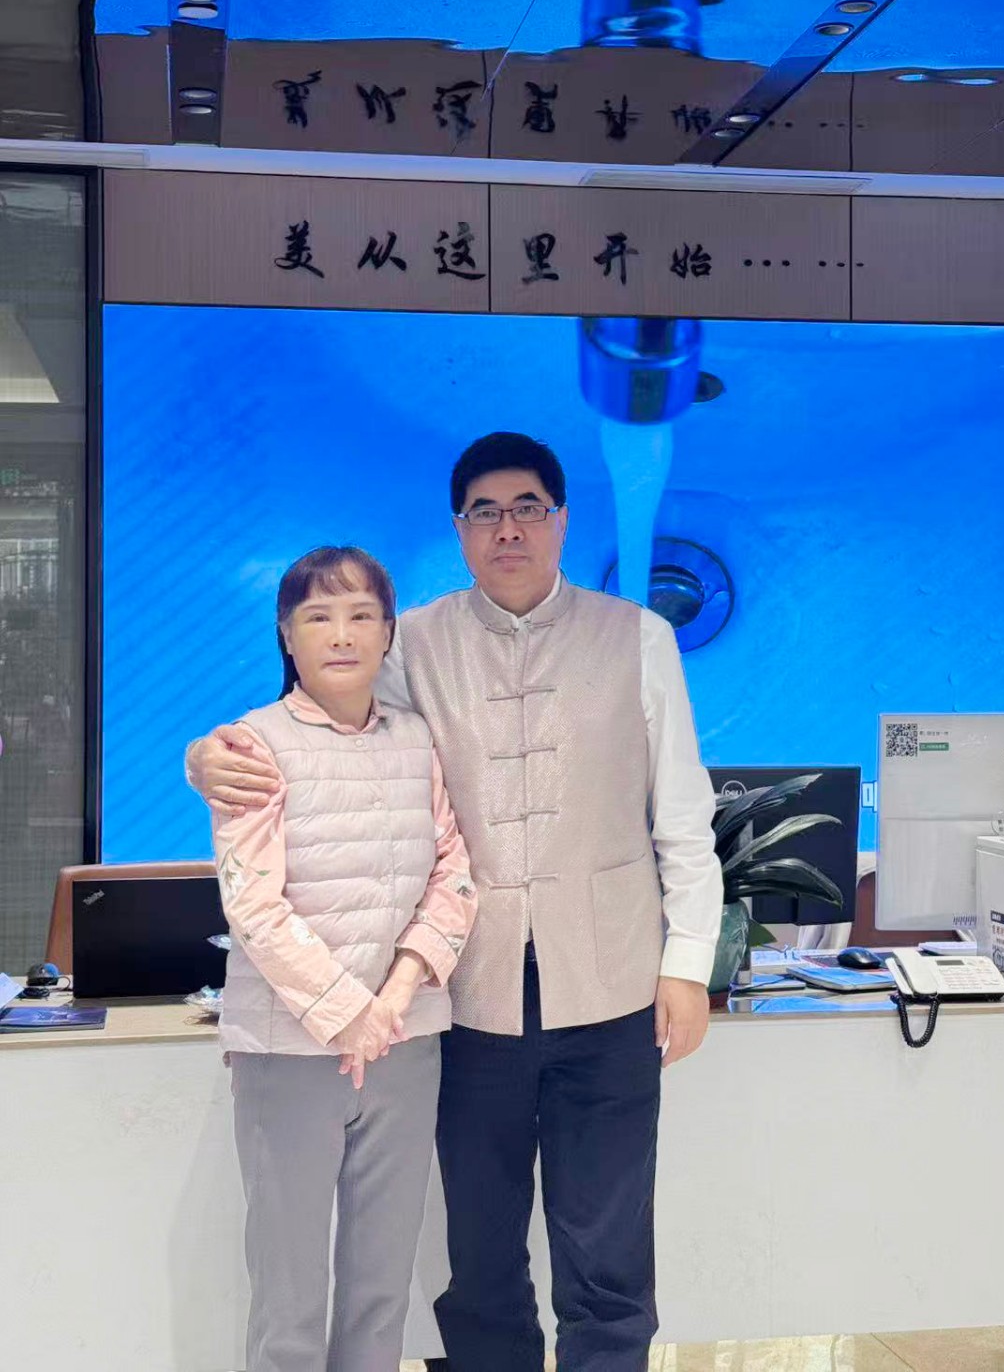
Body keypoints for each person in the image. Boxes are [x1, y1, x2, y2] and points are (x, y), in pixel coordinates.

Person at [190, 434, 724, 1372]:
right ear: (460, 529)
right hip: (469, 999)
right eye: (485, 512)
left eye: (527, 508)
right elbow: (337, 726)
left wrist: (686, 964)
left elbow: (682, 814)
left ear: (561, 520)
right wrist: (206, 758)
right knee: (477, 1258)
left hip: (610, 988)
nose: (507, 529)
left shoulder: (638, 636)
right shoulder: (413, 641)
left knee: (607, 1252)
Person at [209, 545, 477, 1372]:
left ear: (388, 633)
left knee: (381, 1286)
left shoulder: (418, 739)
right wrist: (347, 1012)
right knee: (288, 1293)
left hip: (405, 1040)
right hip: (288, 1050)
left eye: (361, 615)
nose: (341, 634)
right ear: (286, 634)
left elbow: (455, 874)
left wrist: (395, 995)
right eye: (318, 616)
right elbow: (253, 903)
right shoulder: (251, 744)